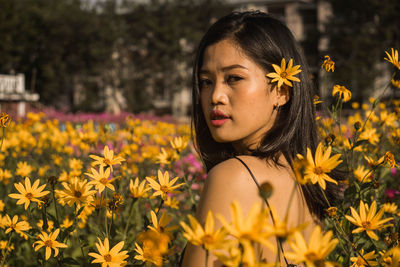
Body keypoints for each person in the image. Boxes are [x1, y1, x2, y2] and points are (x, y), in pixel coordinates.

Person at [181, 10, 340, 266]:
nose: (215, 96)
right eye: (206, 81)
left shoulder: (233, 177)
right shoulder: (309, 184)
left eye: (234, 78)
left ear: (282, 90)